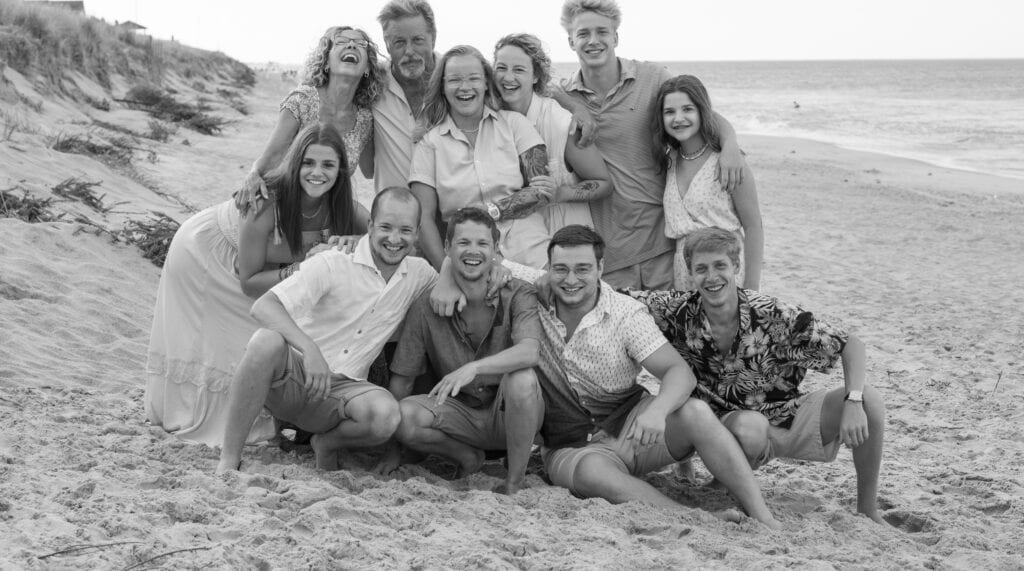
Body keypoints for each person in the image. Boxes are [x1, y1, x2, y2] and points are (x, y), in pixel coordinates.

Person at [494, 226, 779, 526]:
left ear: (601, 267)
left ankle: (762, 515)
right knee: (590, 474)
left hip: (631, 425)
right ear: (548, 268)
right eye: (560, 269)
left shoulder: (624, 313)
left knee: (695, 411)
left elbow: (679, 372)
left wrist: (657, 412)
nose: (571, 279)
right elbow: (481, 256)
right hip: (570, 443)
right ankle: (694, 518)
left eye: (583, 269)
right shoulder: (532, 294)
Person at [627, 227, 886, 523]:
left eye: (720, 266)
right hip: (724, 428)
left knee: (870, 400)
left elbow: (849, 345)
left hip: (783, 415)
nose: (711, 277)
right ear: (690, 274)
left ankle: (868, 510)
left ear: (736, 267)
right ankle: (724, 485)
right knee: (750, 427)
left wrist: (853, 401)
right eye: (701, 269)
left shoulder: (770, 312)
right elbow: (612, 297)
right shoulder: (675, 310)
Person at [146, 124, 359, 447]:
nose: (317, 173)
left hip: (264, 269)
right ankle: (198, 417)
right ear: (295, 164)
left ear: (341, 170)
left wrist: (355, 240)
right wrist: (300, 269)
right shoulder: (267, 202)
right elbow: (249, 282)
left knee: (260, 336)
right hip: (208, 254)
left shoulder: (342, 204)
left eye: (328, 165)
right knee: (226, 340)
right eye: (308, 163)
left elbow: (387, 233)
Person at [215, 187, 438, 473]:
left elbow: (450, 284)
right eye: (385, 227)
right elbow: (264, 306)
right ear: (369, 226)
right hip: (294, 377)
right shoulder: (333, 261)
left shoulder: (420, 274)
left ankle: (327, 443)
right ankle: (230, 458)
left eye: (405, 230)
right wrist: (310, 350)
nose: (394, 239)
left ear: (417, 233)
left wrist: (494, 268)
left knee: (386, 416)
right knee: (264, 341)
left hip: (343, 395)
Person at [551, 0, 745, 290]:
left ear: (616, 37)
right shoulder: (565, 98)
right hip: (609, 250)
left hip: (662, 244)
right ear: (570, 42)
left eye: (602, 32)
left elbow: (699, 111)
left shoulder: (652, 77)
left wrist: (731, 144)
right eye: (583, 34)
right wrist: (571, 103)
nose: (593, 41)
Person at [378, 208, 544, 494]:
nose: (473, 251)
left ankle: (514, 481)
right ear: (447, 248)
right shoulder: (426, 305)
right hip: (459, 415)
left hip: (511, 414)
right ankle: (467, 457)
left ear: (495, 249)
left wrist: (474, 368)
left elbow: (530, 351)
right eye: (464, 242)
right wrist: (392, 451)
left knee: (523, 379)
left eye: (482, 244)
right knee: (403, 415)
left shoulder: (518, 292)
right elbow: (402, 379)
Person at [409, 45, 552, 270]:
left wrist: (491, 210)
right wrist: (446, 273)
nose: (464, 87)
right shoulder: (429, 144)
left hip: (531, 251)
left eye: (473, 78)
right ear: (443, 87)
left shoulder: (514, 124)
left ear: (486, 83)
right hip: (471, 260)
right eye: (454, 80)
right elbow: (423, 218)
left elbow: (542, 190)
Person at [235, 25, 388, 213]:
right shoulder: (302, 99)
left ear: (367, 67)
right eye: (341, 42)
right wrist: (252, 175)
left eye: (360, 44)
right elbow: (269, 159)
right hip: (282, 203)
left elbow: (369, 170)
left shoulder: (365, 118)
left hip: (327, 210)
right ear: (326, 61)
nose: (351, 45)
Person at [653, 75, 763, 290]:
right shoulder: (669, 162)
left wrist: (752, 288)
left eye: (687, 109)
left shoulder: (728, 162)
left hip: (725, 272)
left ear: (701, 111)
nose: (678, 118)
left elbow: (754, 226)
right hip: (685, 275)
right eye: (669, 112)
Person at [493, 33, 611, 232]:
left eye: (519, 70)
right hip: (511, 237)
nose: (508, 77)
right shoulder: (492, 119)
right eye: (501, 68)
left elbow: (604, 183)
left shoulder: (561, 124)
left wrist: (562, 192)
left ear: (536, 76)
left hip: (563, 232)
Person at [363, 0, 441, 193]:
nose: (409, 51)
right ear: (387, 45)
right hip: (394, 218)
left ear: (433, 38)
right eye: (399, 42)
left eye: (417, 40)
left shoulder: (458, 80)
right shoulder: (371, 84)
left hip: (451, 217)